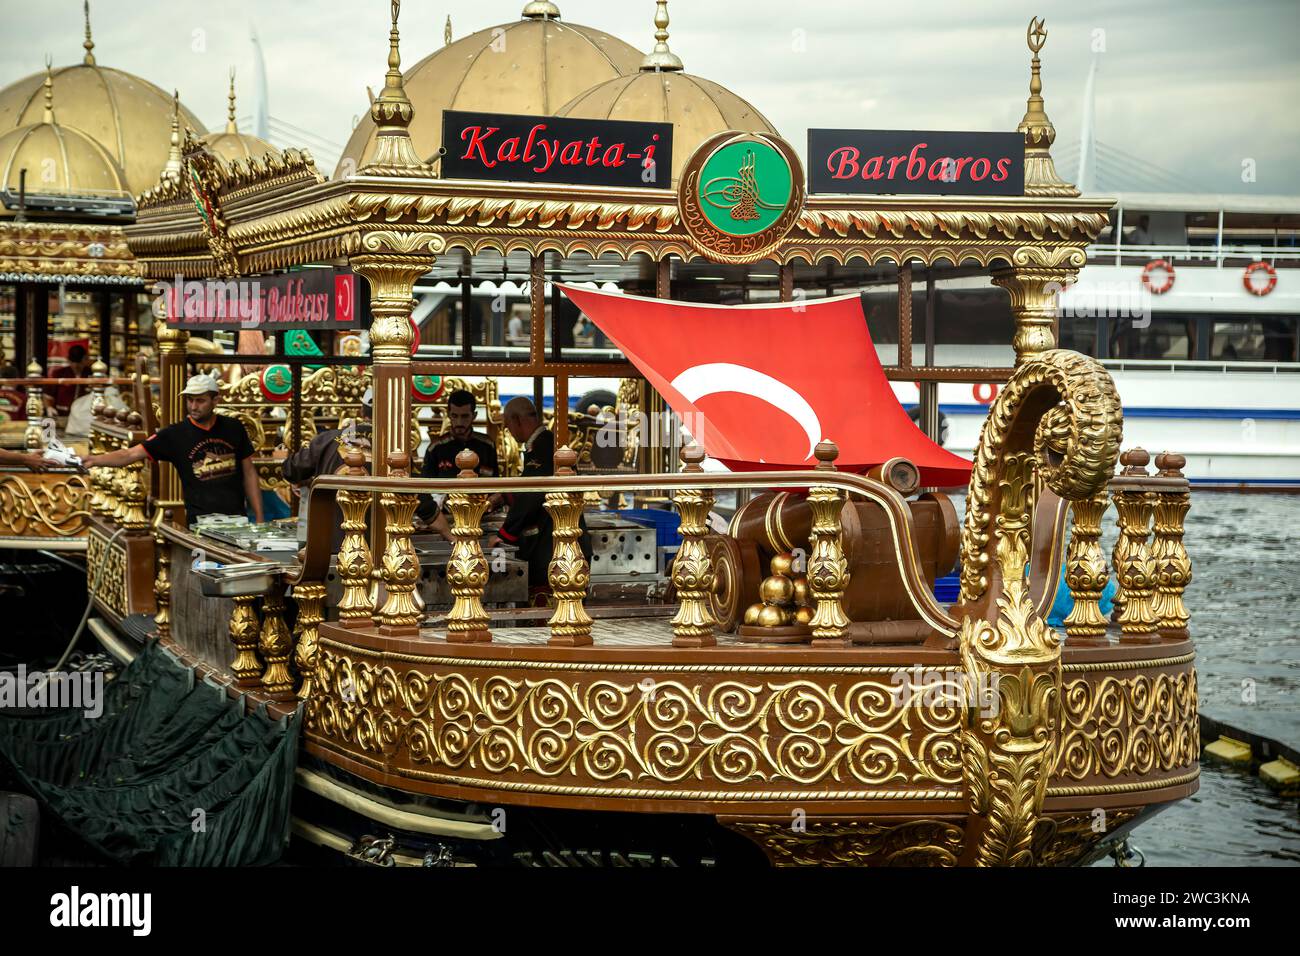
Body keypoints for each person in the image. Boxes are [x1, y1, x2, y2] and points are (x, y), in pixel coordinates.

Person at [83, 372, 264, 524]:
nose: (193, 406)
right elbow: (129, 454)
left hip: (237, 520)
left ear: (215, 400)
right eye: (190, 400)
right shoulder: (174, 434)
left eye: (200, 401)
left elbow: (249, 472)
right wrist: (94, 460)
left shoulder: (234, 427)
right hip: (200, 523)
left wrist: (259, 516)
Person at [279, 387, 372, 547]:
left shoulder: (327, 440)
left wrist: (307, 479)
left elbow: (290, 470)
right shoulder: (396, 447)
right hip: (382, 549)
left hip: (330, 545)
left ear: (361, 411)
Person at [415, 389, 497, 538]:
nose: (459, 422)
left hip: (481, 519)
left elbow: (496, 485)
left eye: (465, 416)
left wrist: (492, 500)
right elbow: (424, 488)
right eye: (455, 416)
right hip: (445, 520)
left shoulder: (487, 445)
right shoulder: (436, 448)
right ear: (449, 415)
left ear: (474, 416)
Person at [50, 344, 92, 415]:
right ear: (68, 360)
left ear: (85, 359)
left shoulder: (91, 374)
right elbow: (48, 395)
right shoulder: (59, 374)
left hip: (85, 414)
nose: (75, 366)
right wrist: (49, 408)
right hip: (62, 413)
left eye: (79, 363)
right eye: (72, 362)